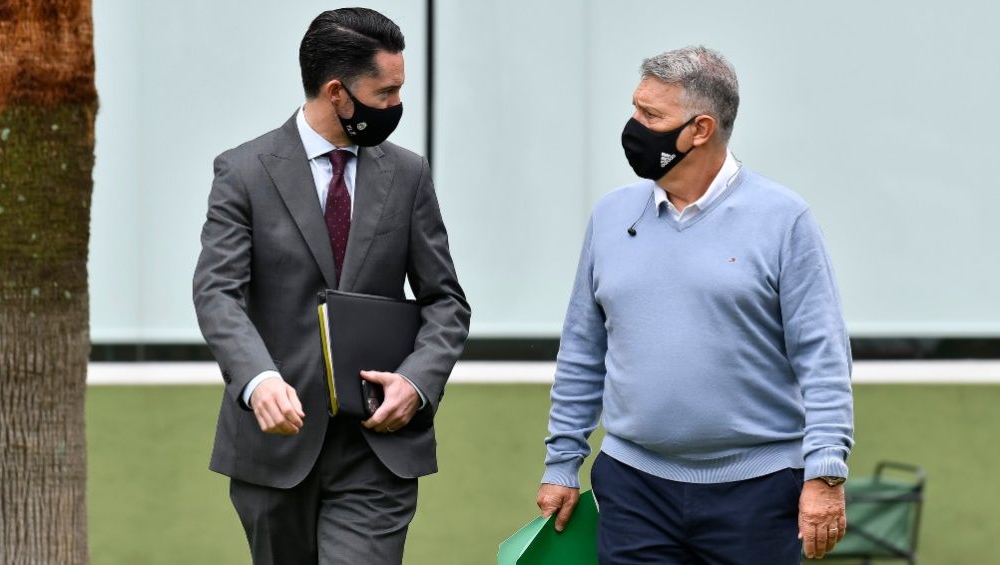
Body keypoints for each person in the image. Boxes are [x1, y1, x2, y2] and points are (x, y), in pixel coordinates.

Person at [535, 46, 854, 564]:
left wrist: (825, 473)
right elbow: (582, 350)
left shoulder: (784, 219)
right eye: (635, 109)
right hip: (633, 488)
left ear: (701, 129)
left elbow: (823, 357)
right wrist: (561, 464)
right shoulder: (611, 215)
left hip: (759, 492)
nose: (633, 126)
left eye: (651, 115)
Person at [192, 8, 470, 565]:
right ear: (337, 92)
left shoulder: (410, 175)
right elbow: (217, 293)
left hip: (378, 447)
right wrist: (258, 380)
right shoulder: (243, 172)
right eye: (386, 92)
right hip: (275, 446)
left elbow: (446, 303)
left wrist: (416, 383)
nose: (397, 104)